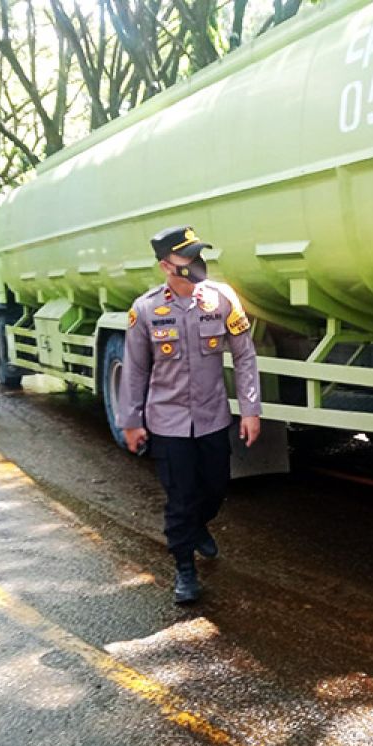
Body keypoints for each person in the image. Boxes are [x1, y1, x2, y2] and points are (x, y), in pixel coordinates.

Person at [117, 225, 261, 604]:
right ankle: (184, 568)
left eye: (200, 256)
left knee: (215, 489)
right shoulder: (145, 310)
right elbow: (134, 371)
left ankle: (198, 526)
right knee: (180, 498)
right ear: (166, 265)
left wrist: (250, 410)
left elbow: (245, 356)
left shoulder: (221, 299)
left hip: (212, 416)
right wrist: (130, 422)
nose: (198, 264)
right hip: (168, 423)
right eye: (189, 258)